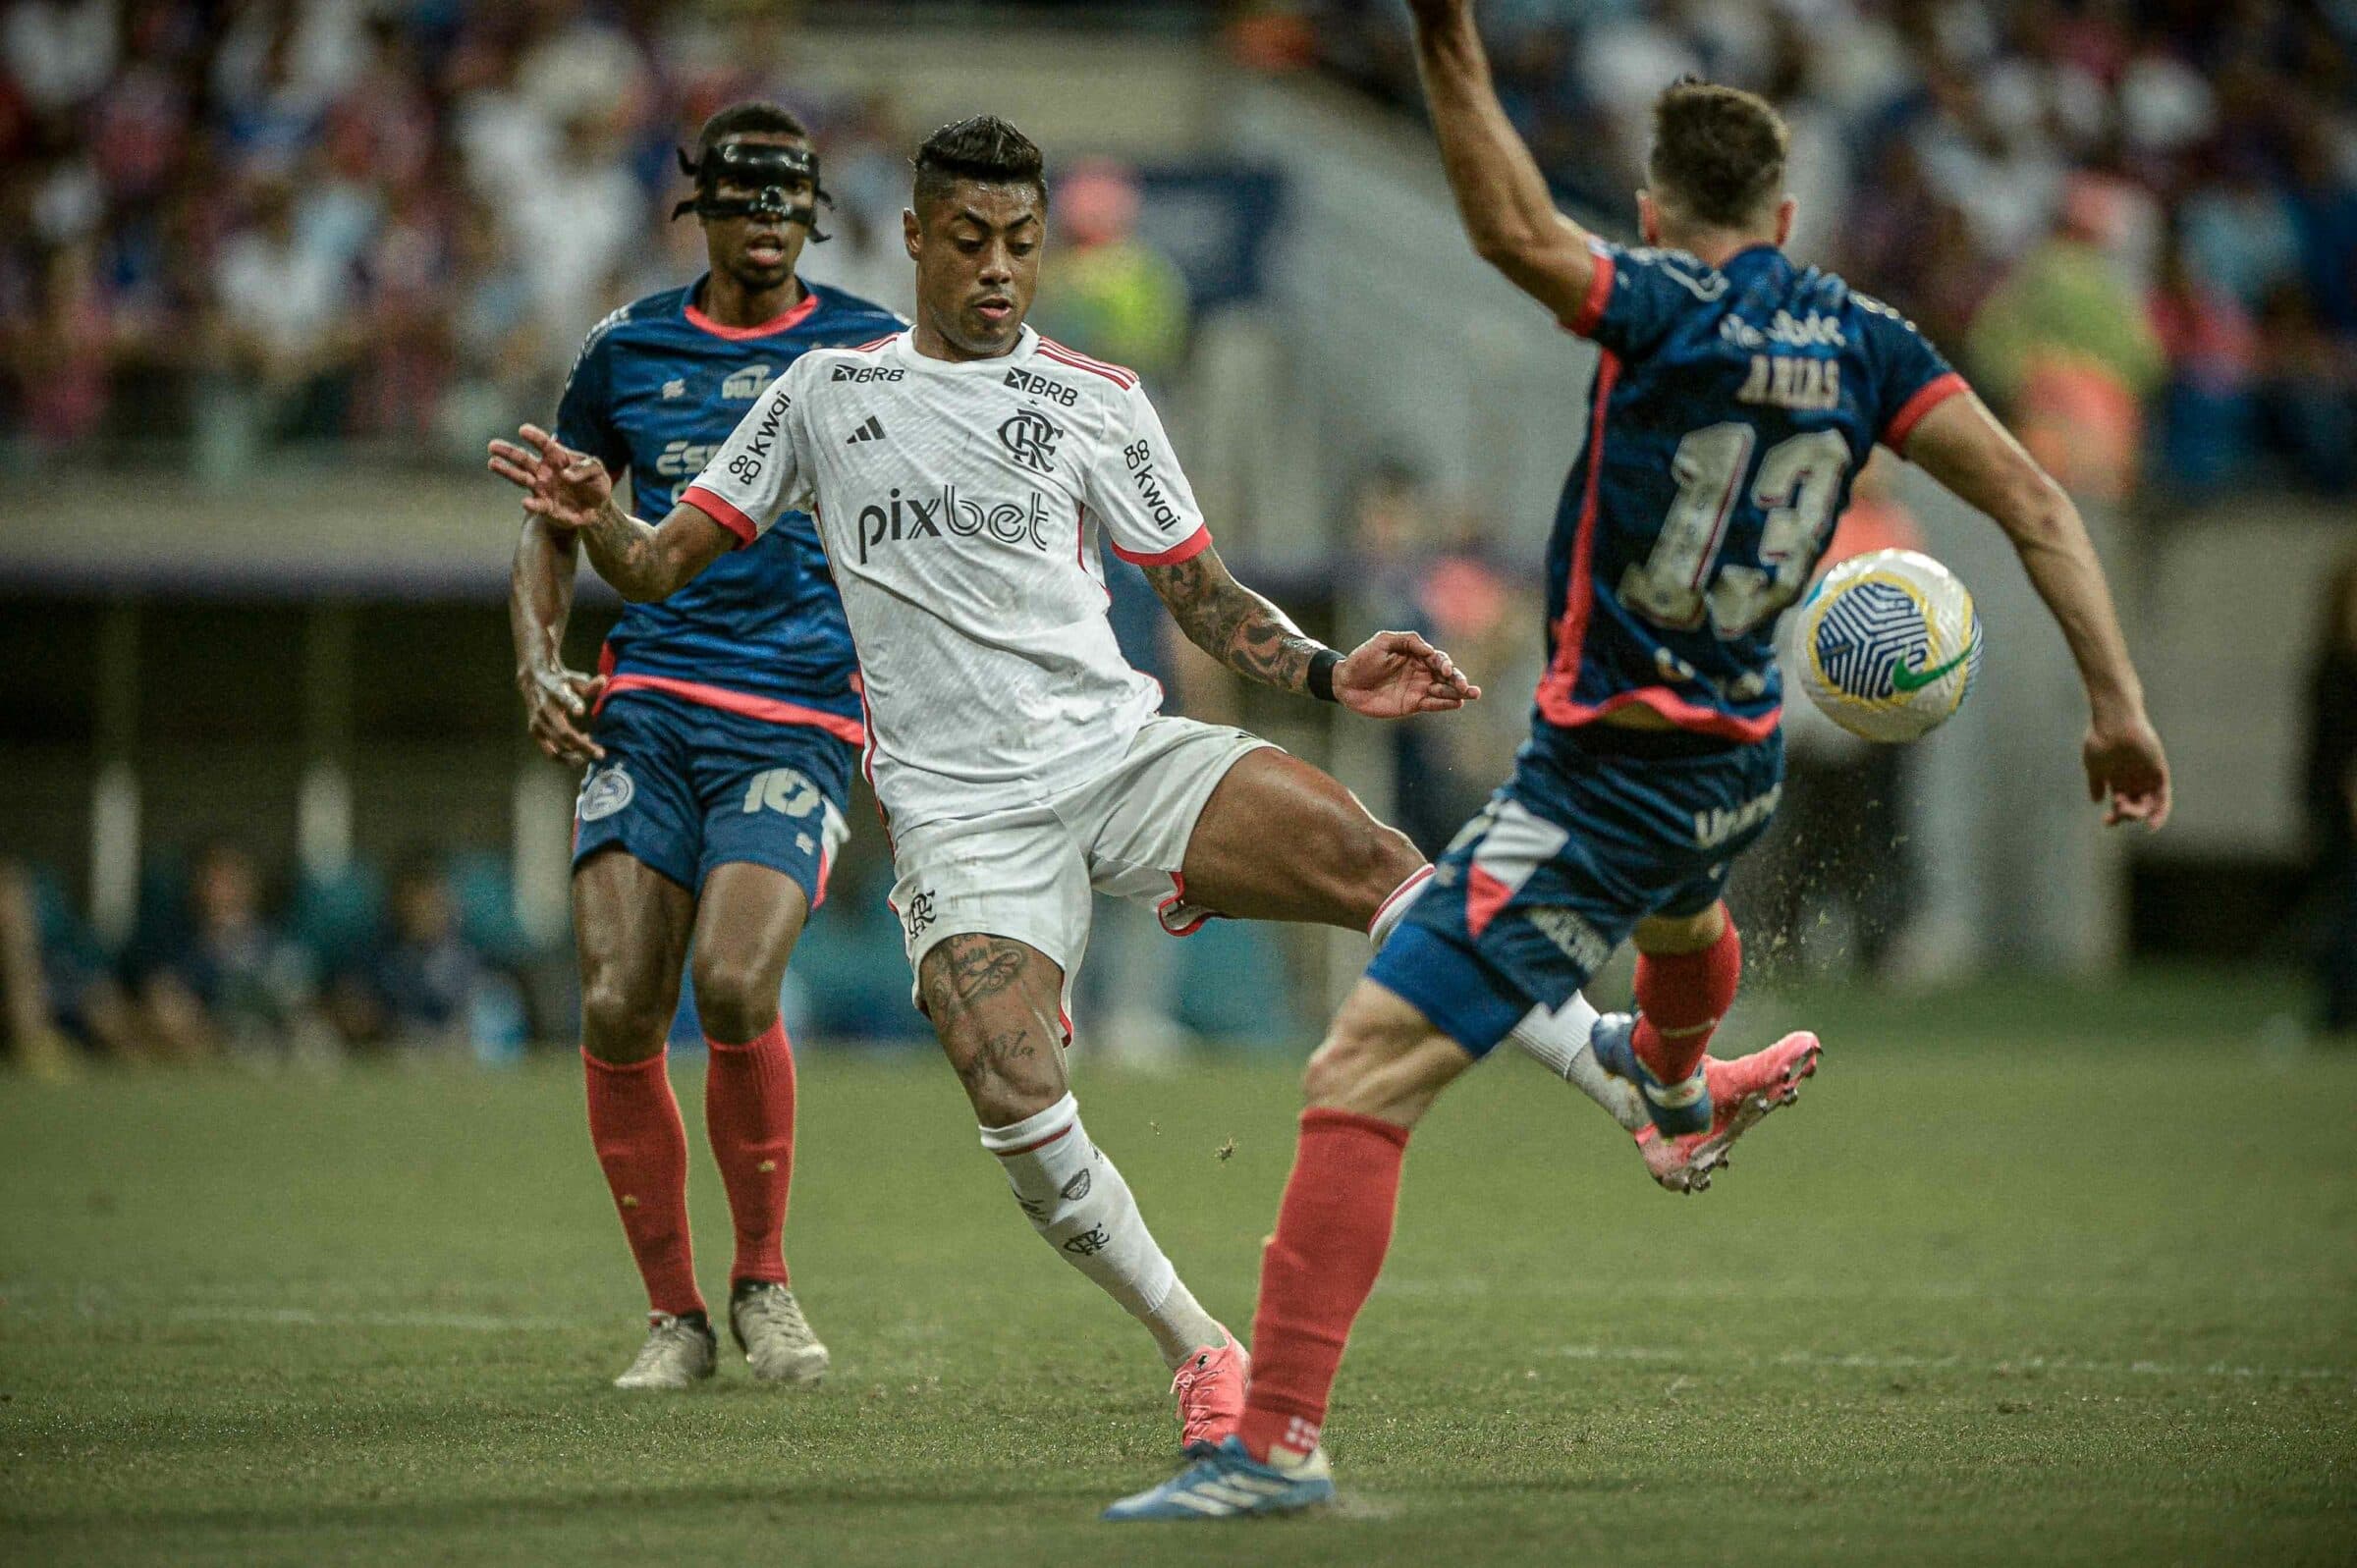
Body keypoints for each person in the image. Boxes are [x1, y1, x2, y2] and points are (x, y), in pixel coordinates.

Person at [489, 116, 1805, 1449]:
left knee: (1380, 861)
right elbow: (656, 568)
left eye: (1021, 241)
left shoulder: (1096, 399)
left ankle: (1632, 1080)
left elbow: (1203, 592)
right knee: (1009, 1081)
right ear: (914, 240)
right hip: (961, 811)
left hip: (1119, 755)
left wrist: (1330, 670)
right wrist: (598, 511)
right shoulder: (827, 395)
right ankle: (1201, 1346)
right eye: (969, 241)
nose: (999, 268)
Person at [1106, 1, 2172, 1519]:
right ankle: (1674, 1083)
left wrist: (1448, 38)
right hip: (1733, 763)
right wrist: (2115, 702)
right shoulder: (1871, 344)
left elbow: (1504, 219)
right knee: (1686, 921)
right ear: (1790, 216)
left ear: (1663, 210)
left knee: (1360, 1072)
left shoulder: (1658, 305)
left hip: (1603, 769)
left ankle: (1272, 1443)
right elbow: (2041, 506)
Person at [505, 100, 903, 1392]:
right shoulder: (625, 351)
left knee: (733, 984)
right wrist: (536, 655)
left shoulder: (871, 347)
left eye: (792, 204)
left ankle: (765, 1283)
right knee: (621, 1000)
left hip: (795, 708)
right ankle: (675, 1315)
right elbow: (558, 519)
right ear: (705, 211)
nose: (769, 225)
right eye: (746, 201)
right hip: (654, 704)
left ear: (814, 217)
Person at [2307, 553, 2357, 1040]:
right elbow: (2331, 746)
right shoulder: (2333, 667)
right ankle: (2338, 1006)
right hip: (2337, 811)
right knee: (2343, 908)